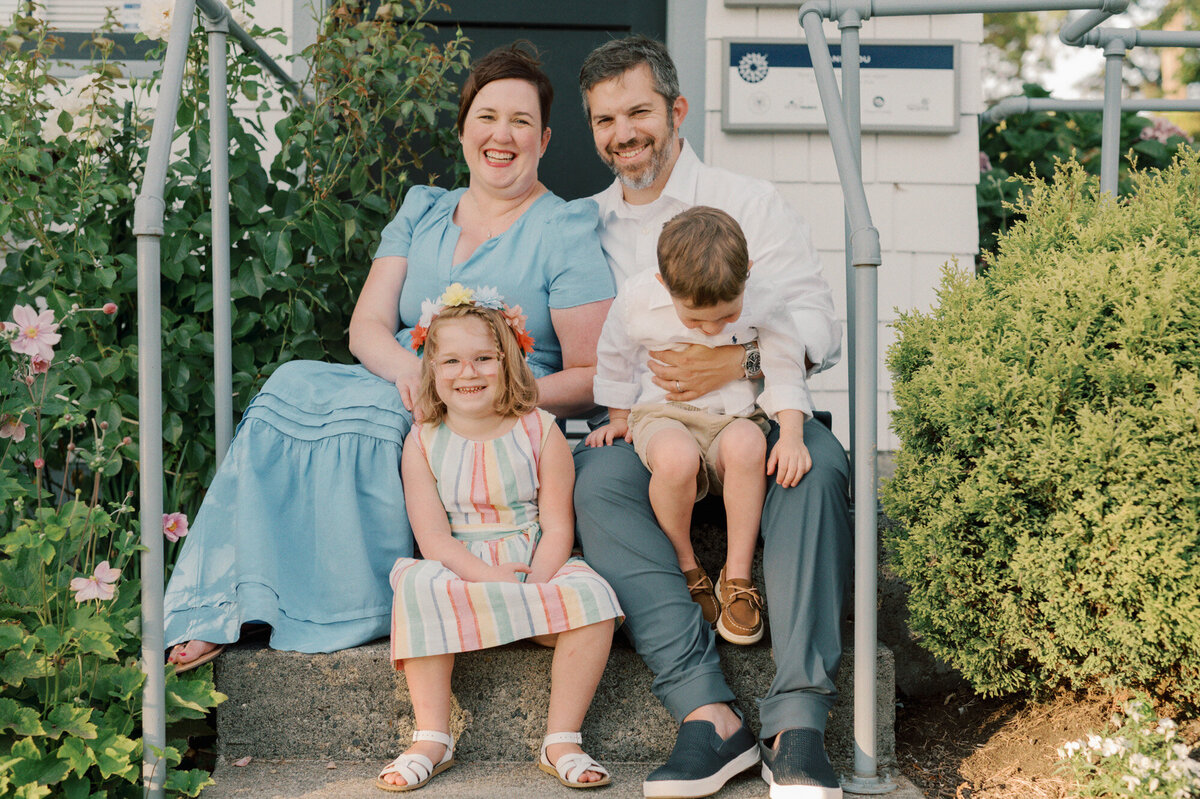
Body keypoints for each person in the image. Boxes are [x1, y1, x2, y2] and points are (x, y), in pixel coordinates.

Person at [163, 44, 615, 672]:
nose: (501, 134)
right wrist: (413, 373)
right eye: (486, 117)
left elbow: (594, 375)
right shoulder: (422, 208)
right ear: (463, 132)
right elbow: (367, 327)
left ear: (543, 138)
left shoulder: (564, 227)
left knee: (377, 423)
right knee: (290, 386)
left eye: (519, 121)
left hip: (497, 397)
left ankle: (346, 608)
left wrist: (489, 391)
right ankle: (229, 603)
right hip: (402, 371)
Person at [573, 36, 851, 799]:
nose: (623, 132)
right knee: (596, 483)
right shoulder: (582, 224)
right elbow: (607, 355)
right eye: (605, 119)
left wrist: (739, 364)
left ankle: (797, 720)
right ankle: (708, 713)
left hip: (753, 410)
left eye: (638, 111)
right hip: (655, 425)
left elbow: (818, 324)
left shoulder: (748, 202)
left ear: (676, 110)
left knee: (816, 465)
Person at [377, 293, 621, 792]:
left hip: (532, 562)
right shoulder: (422, 440)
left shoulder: (541, 431)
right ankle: (432, 736)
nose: (469, 371)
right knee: (416, 585)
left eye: (484, 358)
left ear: (509, 362)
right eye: (451, 360)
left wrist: (538, 578)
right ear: (431, 369)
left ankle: (562, 739)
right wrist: (488, 575)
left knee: (595, 600)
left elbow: (557, 525)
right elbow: (434, 539)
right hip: (461, 567)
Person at [584, 206, 814, 648]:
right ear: (663, 284)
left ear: (747, 273)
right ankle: (687, 565)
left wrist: (792, 434)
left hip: (734, 416)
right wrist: (616, 416)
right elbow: (614, 353)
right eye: (694, 319)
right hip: (664, 413)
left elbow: (785, 362)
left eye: (727, 317)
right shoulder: (637, 298)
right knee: (676, 458)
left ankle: (738, 576)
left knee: (749, 445)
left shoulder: (764, 296)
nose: (711, 329)